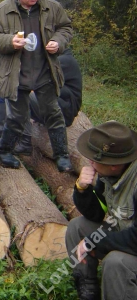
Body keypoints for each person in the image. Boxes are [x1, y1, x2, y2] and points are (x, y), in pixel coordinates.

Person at [0, 0, 74, 172]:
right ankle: (5, 152)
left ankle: (62, 155)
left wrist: (58, 42)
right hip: (16, 75)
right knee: (16, 117)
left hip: (44, 72)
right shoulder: (2, 10)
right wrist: (9, 41)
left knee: (53, 112)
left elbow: (66, 28)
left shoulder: (51, 7)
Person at [65, 121, 137, 300]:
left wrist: (94, 243)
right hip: (124, 233)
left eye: (95, 160)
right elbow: (97, 212)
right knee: (76, 227)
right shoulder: (110, 173)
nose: (90, 162)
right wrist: (82, 190)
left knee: (116, 262)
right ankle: (88, 291)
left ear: (113, 164)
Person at [14, 48, 83, 155]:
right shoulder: (58, 59)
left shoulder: (64, 61)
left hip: (65, 112)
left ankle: (25, 142)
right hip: (59, 107)